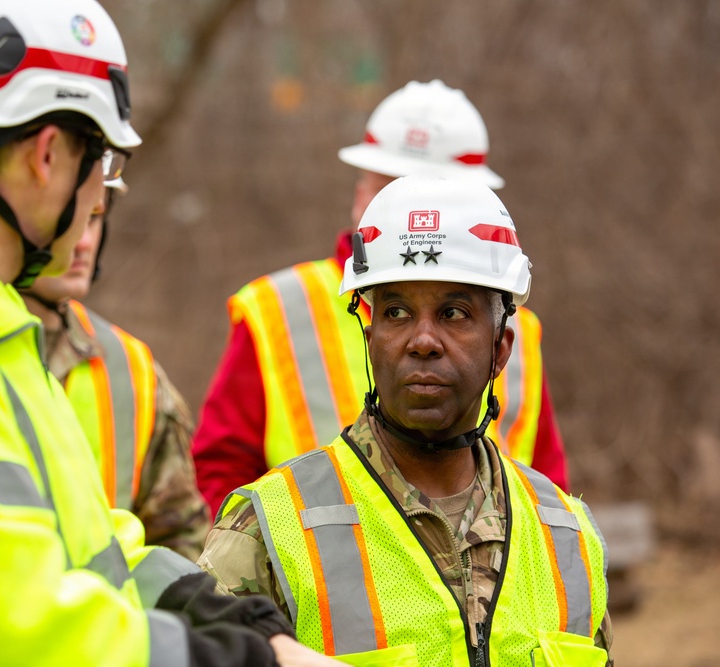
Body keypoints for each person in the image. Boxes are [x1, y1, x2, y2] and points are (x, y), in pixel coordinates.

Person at [0, 1, 343, 664]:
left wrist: (235, 620)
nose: (98, 201)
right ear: (48, 155)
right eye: (100, 163)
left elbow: (98, 555)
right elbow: (18, 636)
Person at [197, 175, 612, 666]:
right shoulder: (267, 530)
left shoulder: (569, 538)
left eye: (454, 313)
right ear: (371, 338)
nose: (422, 340)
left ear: (501, 348)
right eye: (396, 311)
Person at [192, 80, 569, 519]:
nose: (416, 214)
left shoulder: (517, 327)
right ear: (361, 193)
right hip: (320, 577)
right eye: (393, 188)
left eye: (439, 194)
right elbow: (220, 473)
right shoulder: (277, 310)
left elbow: (546, 489)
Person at [21, 178, 210, 561]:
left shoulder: (131, 370)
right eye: (66, 218)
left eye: (94, 219)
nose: (84, 242)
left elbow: (182, 545)